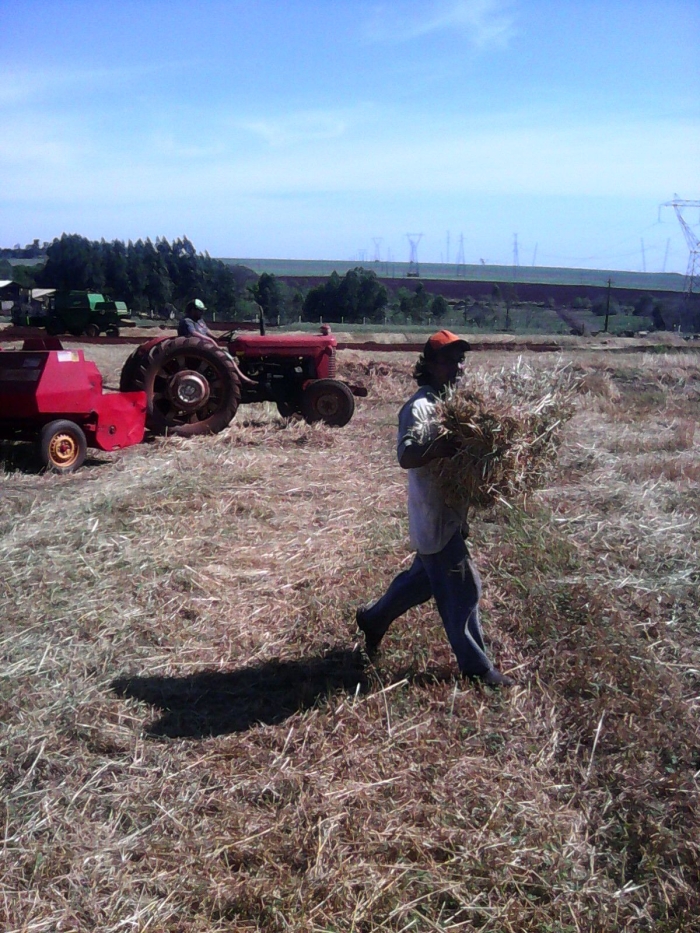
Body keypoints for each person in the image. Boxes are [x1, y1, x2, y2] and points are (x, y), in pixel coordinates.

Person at [356, 329, 514, 687]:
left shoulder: (451, 402)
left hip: (449, 515)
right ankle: (477, 668)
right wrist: (440, 450)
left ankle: (373, 620)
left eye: (461, 359)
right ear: (429, 364)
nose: (458, 367)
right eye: (449, 360)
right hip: (434, 516)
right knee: (464, 589)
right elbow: (406, 455)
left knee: (422, 582)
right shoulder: (419, 408)